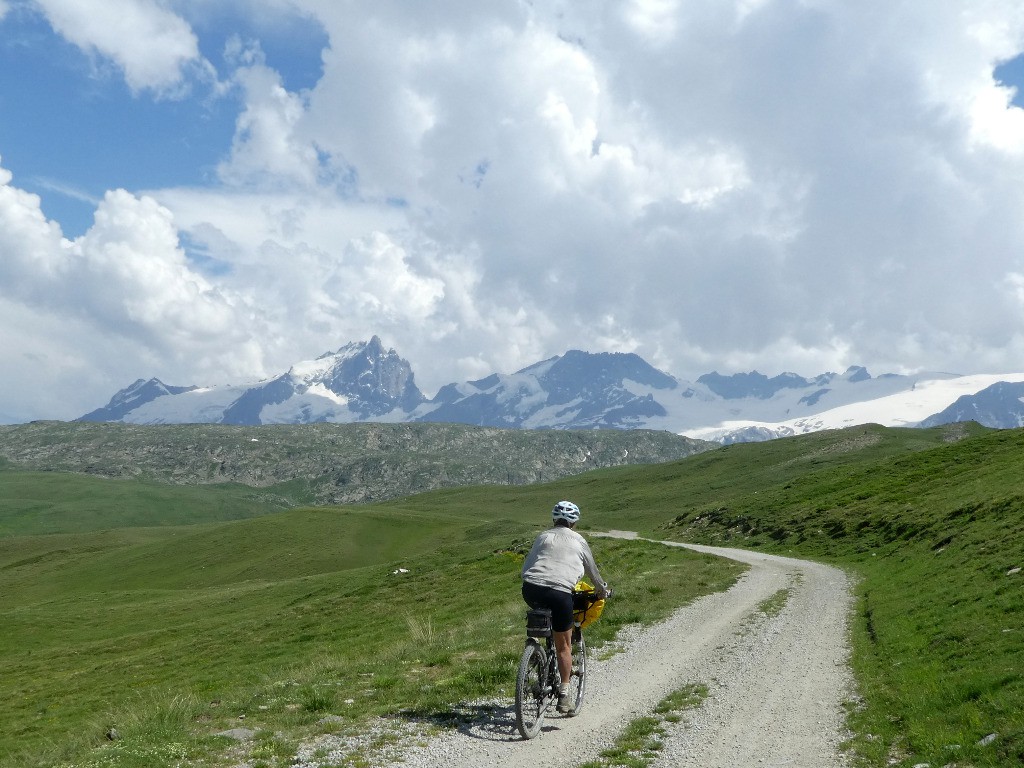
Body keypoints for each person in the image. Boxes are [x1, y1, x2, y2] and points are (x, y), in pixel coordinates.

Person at [521, 500, 610, 713]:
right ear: (574, 522)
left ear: (554, 520)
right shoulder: (579, 540)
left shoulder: (542, 536)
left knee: (545, 623)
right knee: (564, 646)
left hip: (531, 589)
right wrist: (601, 589)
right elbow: (592, 571)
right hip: (560, 594)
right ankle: (563, 694)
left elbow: (527, 566)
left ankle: (537, 656)